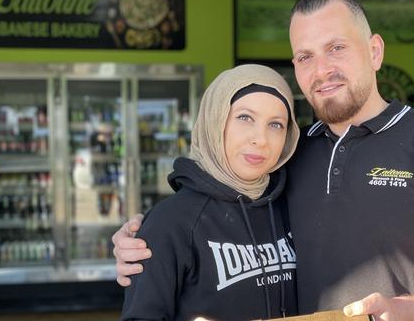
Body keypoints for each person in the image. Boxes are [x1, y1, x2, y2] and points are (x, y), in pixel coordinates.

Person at [113, 0, 414, 321]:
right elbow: (226, 213)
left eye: (336, 47)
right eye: (306, 56)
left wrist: (409, 310)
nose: (321, 69)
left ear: (374, 51)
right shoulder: (290, 155)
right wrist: (146, 243)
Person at [119, 64, 300, 320]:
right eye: (245, 118)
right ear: (215, 121)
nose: (261, 139)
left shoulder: (293, 205)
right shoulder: (170, 222)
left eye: (276, 125)